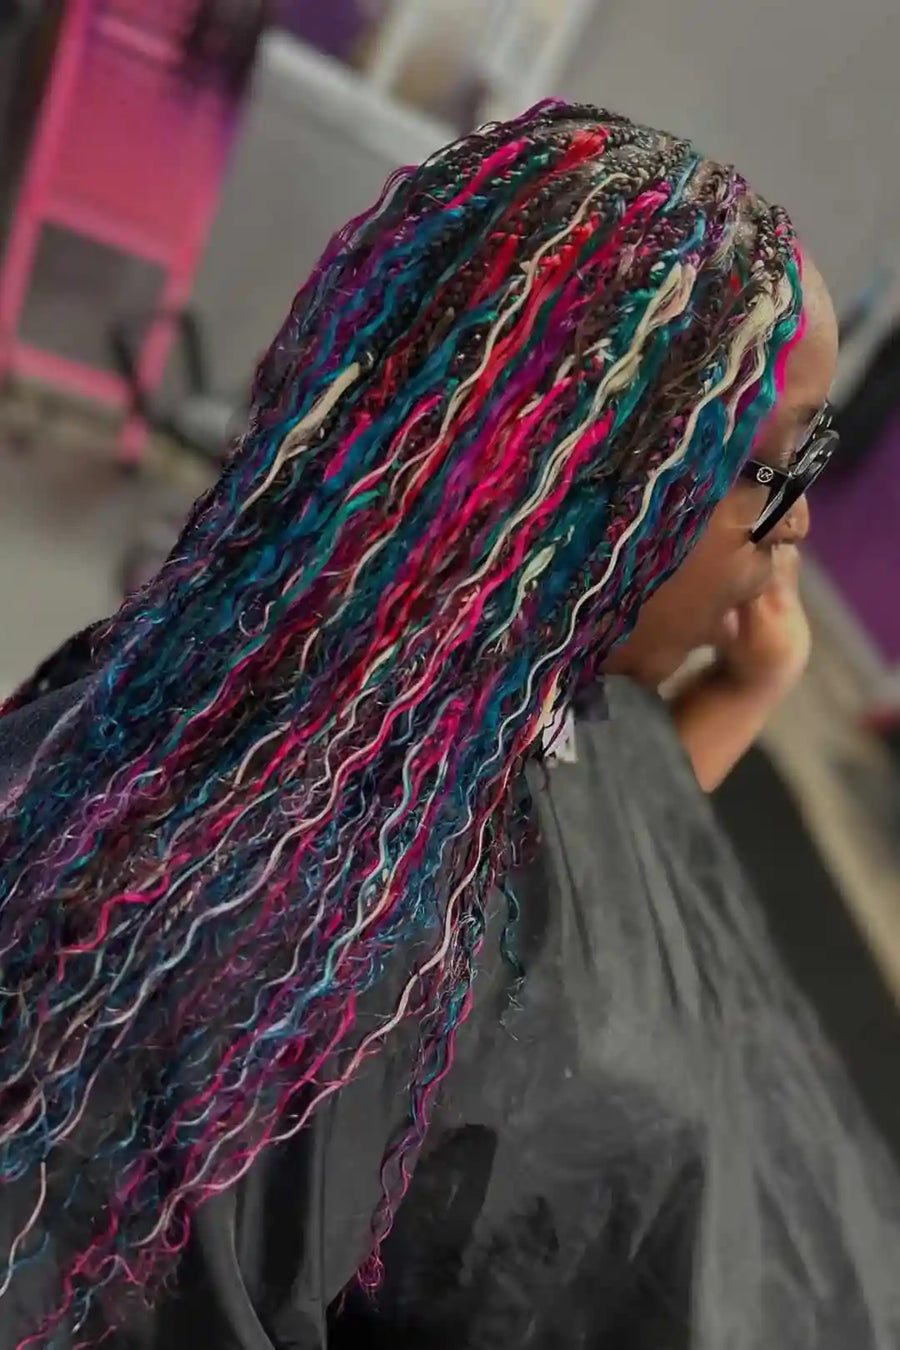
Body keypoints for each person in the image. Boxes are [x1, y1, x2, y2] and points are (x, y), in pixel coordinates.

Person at [0, 103, 897, 1350]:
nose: (794, 532)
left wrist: (745, 689)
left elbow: (581, 910)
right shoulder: (247, 953)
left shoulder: (521, 681)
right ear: (601, 486)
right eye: (780, 474)